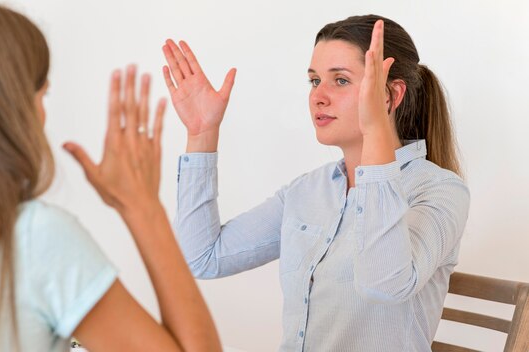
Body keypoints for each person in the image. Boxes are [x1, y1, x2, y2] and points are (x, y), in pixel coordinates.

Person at [0, 3, 221, 352]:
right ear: (9, 110)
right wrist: (141, 206)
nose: (42, 114)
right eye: (43, 94)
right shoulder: (33, 238)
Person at [162, 15, 470, 351]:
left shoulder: (440, 190)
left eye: (340, 80)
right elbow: (202, 258)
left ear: (390, 96)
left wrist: (376, 132)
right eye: (314, 81)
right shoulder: (306, 191)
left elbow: (384, 285)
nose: (318, 97)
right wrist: (202, 133)